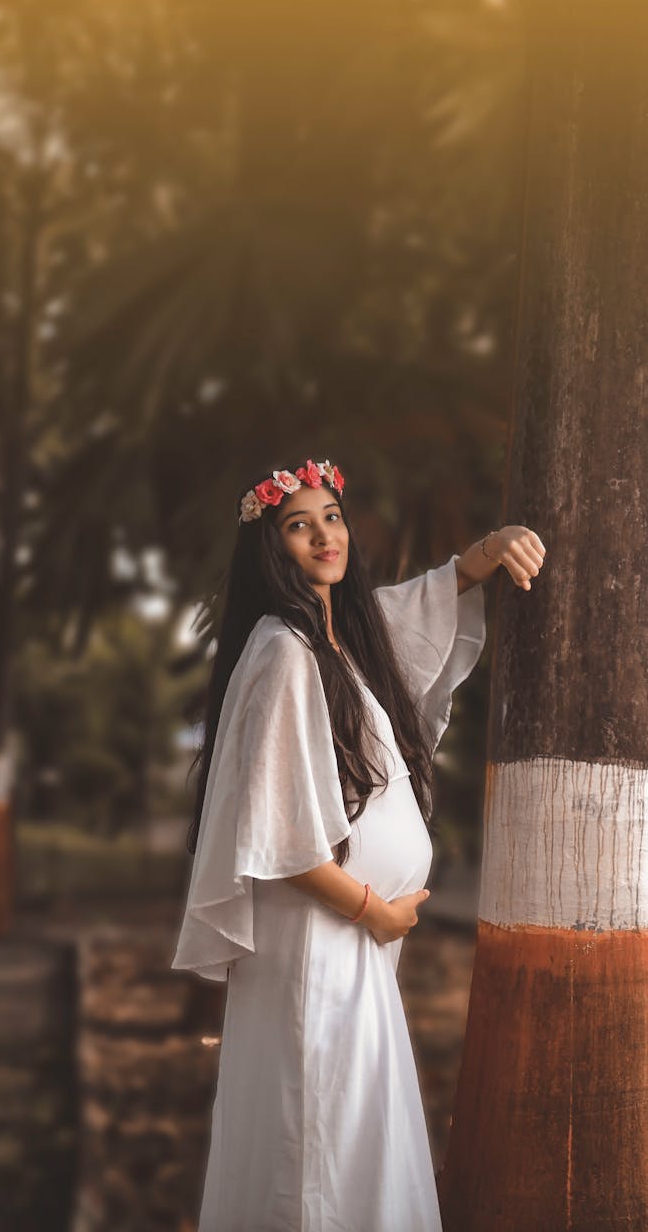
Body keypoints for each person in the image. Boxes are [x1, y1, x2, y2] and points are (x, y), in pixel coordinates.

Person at [171, 456, 546, 1232]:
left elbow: (416, 603)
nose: (322, 536)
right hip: (323, 942)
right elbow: (282, 838)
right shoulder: (281, 652)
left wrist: (492, 548)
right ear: (271, 547)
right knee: (317, 1142)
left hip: (348, 946)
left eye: (331, 516)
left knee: (344, 1133)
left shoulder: (337, 638)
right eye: (296, 524)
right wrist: (375, 910)